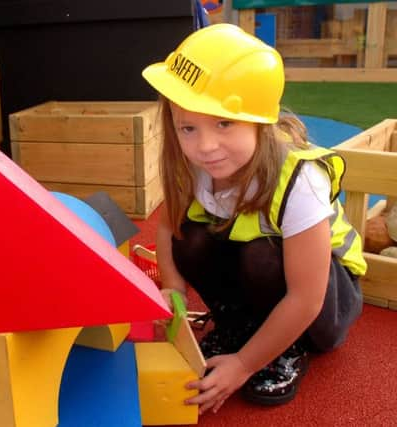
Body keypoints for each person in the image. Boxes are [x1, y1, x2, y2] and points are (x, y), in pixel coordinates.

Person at [142, 24, 366, 414]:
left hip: (325, 303)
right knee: (190, 238)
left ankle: (285, 350)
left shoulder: (300, 181)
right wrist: (173, 288)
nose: (205, 146)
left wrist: (245, 365)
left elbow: (306, 298)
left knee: (260, 254)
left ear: (259, 122)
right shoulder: (192, 166)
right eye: (188, 128)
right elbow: (168, 227)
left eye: (224, 123)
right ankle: (240, 328)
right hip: (270, 285)